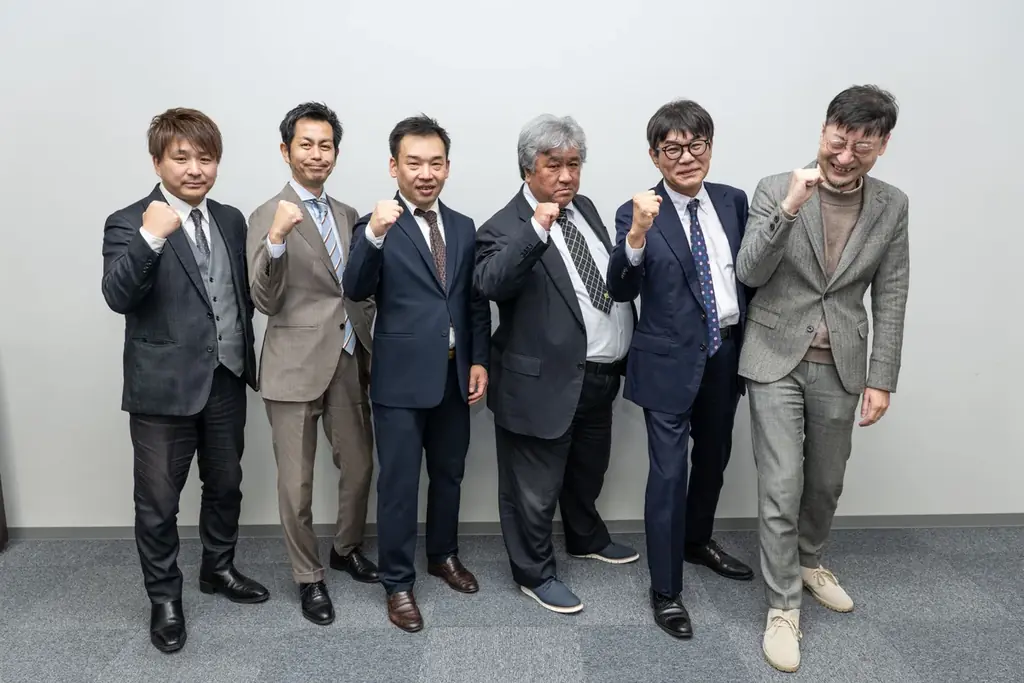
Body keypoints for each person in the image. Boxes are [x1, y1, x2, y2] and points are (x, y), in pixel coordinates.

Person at [735, 85, 909, 672]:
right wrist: (788, 208)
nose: (845, 155)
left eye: (863, 146)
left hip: (842, 362)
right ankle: (783, 605)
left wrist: (882, 377)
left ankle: (808, 561)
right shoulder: (775, 188)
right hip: (773, 356)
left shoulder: (892, 205)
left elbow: (892, 293)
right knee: (781, 485)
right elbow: (750, 271)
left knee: (826, 483)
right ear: (824, 129)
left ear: (882, 146)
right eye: (839, 139)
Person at [100, 108, 269, 654]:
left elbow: (238, 295)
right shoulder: (128, 221)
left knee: (225, 485)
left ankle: (218, 568)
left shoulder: (231, 219)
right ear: (157, 162)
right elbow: (117, 296)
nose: (196, 169)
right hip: (163, 388)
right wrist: (150, 239)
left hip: (225, 377)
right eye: (181, 158)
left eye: (206, 158)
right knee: (158, 502)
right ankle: (165, 599)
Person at [475, 114, 638, 616]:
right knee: (533, 490)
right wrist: (537, 229)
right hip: (540, 384)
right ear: (528, 169)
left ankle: (585, 537)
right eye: (554, 165)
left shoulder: (584, 208)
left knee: (588, 470)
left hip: (598, 377)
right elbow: (490, 283)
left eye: (574, 164)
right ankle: (534, 573)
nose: (567, 176)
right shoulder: (502, 226)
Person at [607, 99, 755, 639]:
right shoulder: (636, 211)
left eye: (696, 145)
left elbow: (751, 274)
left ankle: (696, 542)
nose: (686, 157)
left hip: (725, 354)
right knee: (670, 476)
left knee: (714, 459)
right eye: (672, 149)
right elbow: (619, 288)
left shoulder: (733, 201)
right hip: (667, 362)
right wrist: (637, 235)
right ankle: (665, 589)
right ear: (655, 155)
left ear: (709, 148)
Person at [343, 114, 490, 633]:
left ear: (447, 167)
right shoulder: (376, 224)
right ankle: (397, 582)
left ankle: (443, 555)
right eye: (414, 163)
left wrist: (478, 359)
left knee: (449, 473)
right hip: (401, 380)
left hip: (454, 374)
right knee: (400, 484)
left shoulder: (464, 226)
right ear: (394, 167)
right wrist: (374, 236)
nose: (425, 173)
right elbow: (355, 287)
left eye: (435, 163)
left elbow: (473, 302)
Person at [246, 102, 378, 626]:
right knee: (296, 485)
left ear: (336, 153)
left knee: (360, 467)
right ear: (286, 151)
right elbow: (264, 299)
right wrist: (277, 239)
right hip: (293, 368)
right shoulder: (266, 214)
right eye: (306, 144)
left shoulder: (347, 214)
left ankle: (346, 549)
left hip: (347, 358)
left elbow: (357, 287)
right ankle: (308, 577)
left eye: (326, 145)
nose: (316, 154)